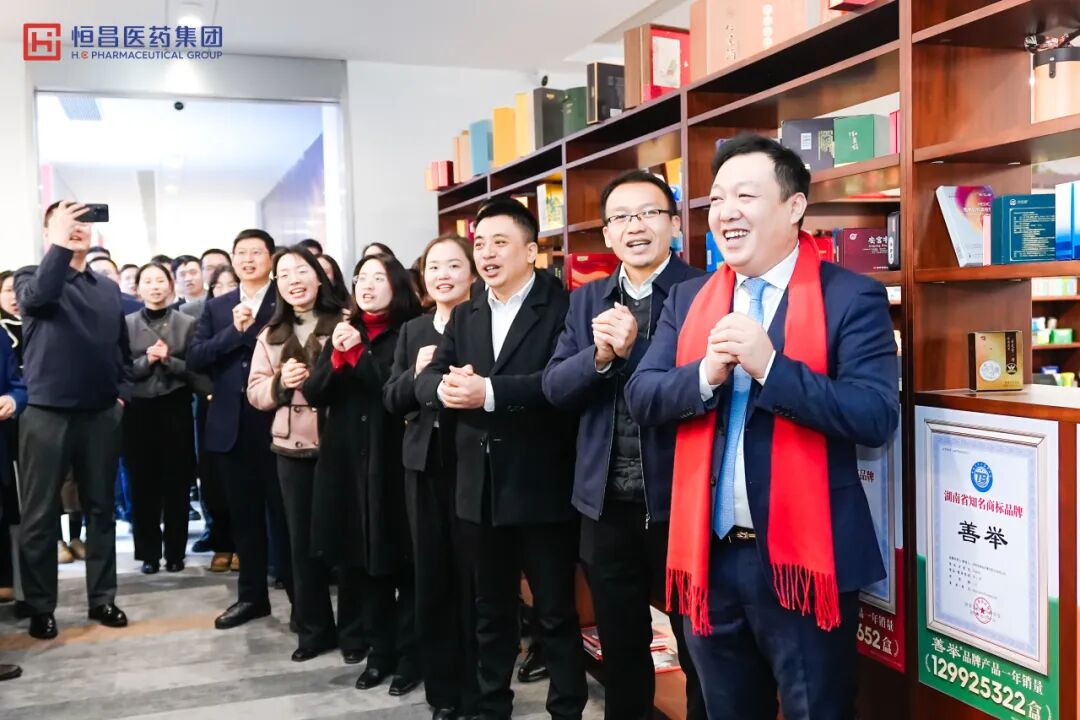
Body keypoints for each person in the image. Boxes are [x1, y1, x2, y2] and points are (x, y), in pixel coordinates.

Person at [624, 134, 900, 720]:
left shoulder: (851, 296)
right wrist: (704, 374)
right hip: (708, 556)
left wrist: (771, 367)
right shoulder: (689, 299)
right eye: (717, 198)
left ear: (794, 206)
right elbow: (642, 395)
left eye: (745, 196)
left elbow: (874, 415)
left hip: (805, 561)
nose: (726, 211)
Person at [543, 169, 706, 720]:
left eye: (649, 213)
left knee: (698, 645)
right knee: (622, 644)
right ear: (608, 234)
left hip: (681, 501)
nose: (635, 226)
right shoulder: (587, 299)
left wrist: (633, 352)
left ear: (674, 225)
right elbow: (555, 387)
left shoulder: (703, 292)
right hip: (605, 502)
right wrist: (599, 356)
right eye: (621, 217)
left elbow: (697, 388)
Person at [415, 199, 586, 720]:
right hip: (479, 489)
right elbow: (429, 376)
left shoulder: (563, 307)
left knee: (555, 614)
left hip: (542, 486)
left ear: (531, 251)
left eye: (500, 242)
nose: (487, 253)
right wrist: (443, 389)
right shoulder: (467, 311)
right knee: (490, 613)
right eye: (481, 243)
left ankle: (566, 711)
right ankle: (492, 709)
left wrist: (488, 393)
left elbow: (562, 382)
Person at [14, 200, 131, 640]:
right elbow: (39, 299)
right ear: (49, 233)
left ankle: (103, 598)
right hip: (46, 413)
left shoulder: (106, 288)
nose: (77, 229)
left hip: (101, 413)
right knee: (40, 515)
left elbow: (121, 349)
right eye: (66, 223)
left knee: (102, 510)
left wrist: (121, 395)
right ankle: (41, 606)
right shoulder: (31, 277)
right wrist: (60, 247)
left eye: (83, 223)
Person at [304, 254, 421, 694]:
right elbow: (314, 392)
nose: (367, 286)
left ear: (397, 285)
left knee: (404, 564)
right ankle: (379, 654)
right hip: (348, 464)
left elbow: (391, 391)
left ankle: (410, 658)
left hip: (395, 462)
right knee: (363, 564)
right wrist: (337, 355)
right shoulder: (345, 329)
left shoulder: (411, 331)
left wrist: (356, 353)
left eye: (378, 278)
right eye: (361, 278)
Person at [384, 234, 479, 720]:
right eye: (434, 267)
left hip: (472, 465)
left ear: (472, 272)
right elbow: (392, 398)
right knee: (432, 578)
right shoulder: (413, 330)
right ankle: (442, 692)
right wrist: (414, 375)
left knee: (474, 581)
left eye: (454, 265)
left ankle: (478, 690)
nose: (443, 275)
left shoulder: (484, 322)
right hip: (423, 466)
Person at [247, 245, 358, 663]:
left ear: (320, 276)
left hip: (339, 446)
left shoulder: (346, 322)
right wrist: (280, 382)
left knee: (347, 541)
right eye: (285, 274)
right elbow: (255, 392)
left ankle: (355, 631)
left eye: (302, 271)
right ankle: (314, 630)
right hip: (292, 450)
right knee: (302, 545)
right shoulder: (270, 334)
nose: (294, 280)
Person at [188, 229, 293, 629]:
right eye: (241, 253)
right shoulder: (218, 306)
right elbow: (196, 357)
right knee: (244, 519)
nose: (248, 259)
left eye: (256, 252)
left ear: (271, 258)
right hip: (230, 424)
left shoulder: (284, 298)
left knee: (284, 517)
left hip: (276, 421)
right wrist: (233, 332)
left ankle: (301, 599)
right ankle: (252, 598)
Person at [123, 262, 203, 574]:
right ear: (138, 288)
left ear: (170, 285)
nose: (155, 287)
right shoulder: (126, 323)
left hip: (175, 406)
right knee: (142, 483)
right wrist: (147, 360)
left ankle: (175, 552)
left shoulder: (187, 323)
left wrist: (168, 360)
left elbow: (196, 368)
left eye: (160, 280)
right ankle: (148, 554)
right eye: (148, 281)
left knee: (177, 482)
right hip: (138, 411)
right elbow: (121, 370)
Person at [182, 264, 238, 568]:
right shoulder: (204, 318)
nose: (225, 291)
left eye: (232, 285)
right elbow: (194, 364)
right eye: (219, 286)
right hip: (212, 405)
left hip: (247, 403)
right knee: (214, 477)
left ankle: (244, 544)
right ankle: (222, 541)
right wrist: (212, 394)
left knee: (244, 478)